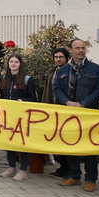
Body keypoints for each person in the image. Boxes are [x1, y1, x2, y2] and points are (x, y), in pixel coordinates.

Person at [54, 39, 99, 192]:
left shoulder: (95, 69)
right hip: (70, 114)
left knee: (89, 147)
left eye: (83, 48)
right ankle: (74, 175)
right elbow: (57, 88)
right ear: (70, 50)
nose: (81, 50)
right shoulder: (63, 71)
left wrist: (83, 103)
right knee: (71, 145)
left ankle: (90, 179)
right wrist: (67, 102)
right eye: (77, 48)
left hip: (88, 114)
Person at [0, 54, 37, 181]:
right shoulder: (3, 78)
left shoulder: (27, 79)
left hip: (22, 116)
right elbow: (1, 96)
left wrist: (23, 100)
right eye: (11, 62)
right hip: (8, 115)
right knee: (10, 142)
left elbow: (33, 98)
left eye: (16, 62)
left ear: (20, 64)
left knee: (22, 143)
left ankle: (23, 170)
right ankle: (11, 167)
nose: (13, 64)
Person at [43, 47, 70, 179]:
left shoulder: (70, 71)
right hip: (52, 108)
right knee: (56, 140)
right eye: (56, 57)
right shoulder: (52, 72)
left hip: (64, 109)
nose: (58, 59)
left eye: (61, 57)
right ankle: (62, 166)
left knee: (65, 140)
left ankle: (68, 168)